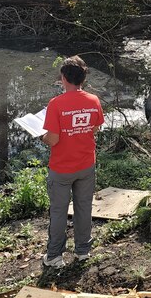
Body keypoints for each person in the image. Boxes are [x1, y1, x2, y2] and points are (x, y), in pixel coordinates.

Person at [40, 55, 105, 268]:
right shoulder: (93, 101)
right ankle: (82, 251)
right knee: (84, 207)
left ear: (63, 78)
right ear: (82, 79)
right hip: (86, 165)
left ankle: (55, 256)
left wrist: (43, 138)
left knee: (59, 211)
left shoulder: (56, 104)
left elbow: (54, 138)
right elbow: (95, 127)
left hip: (62, 168)